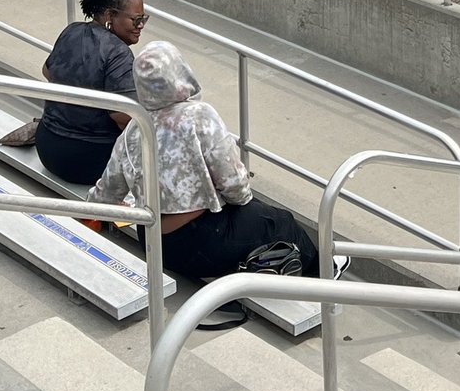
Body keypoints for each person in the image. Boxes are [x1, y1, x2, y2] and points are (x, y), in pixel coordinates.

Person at [88, 41, 347, 282]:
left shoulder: (135, 128)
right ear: (179, 72)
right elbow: (235, 187)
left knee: (253, 219)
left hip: (155, 244)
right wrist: (240, 205)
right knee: (278, 221)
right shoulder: (199, 117)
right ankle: (322, 274)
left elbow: (105, 194)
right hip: (202, 243)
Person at [35, 0, 149, 184]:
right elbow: (123, 117)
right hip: (90, 162)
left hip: (47, 148)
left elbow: (47, 71)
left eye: (143, 19)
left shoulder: (72, 30)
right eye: (135, 19)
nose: (140, 26)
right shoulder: (118, 53)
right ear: (109, 15)